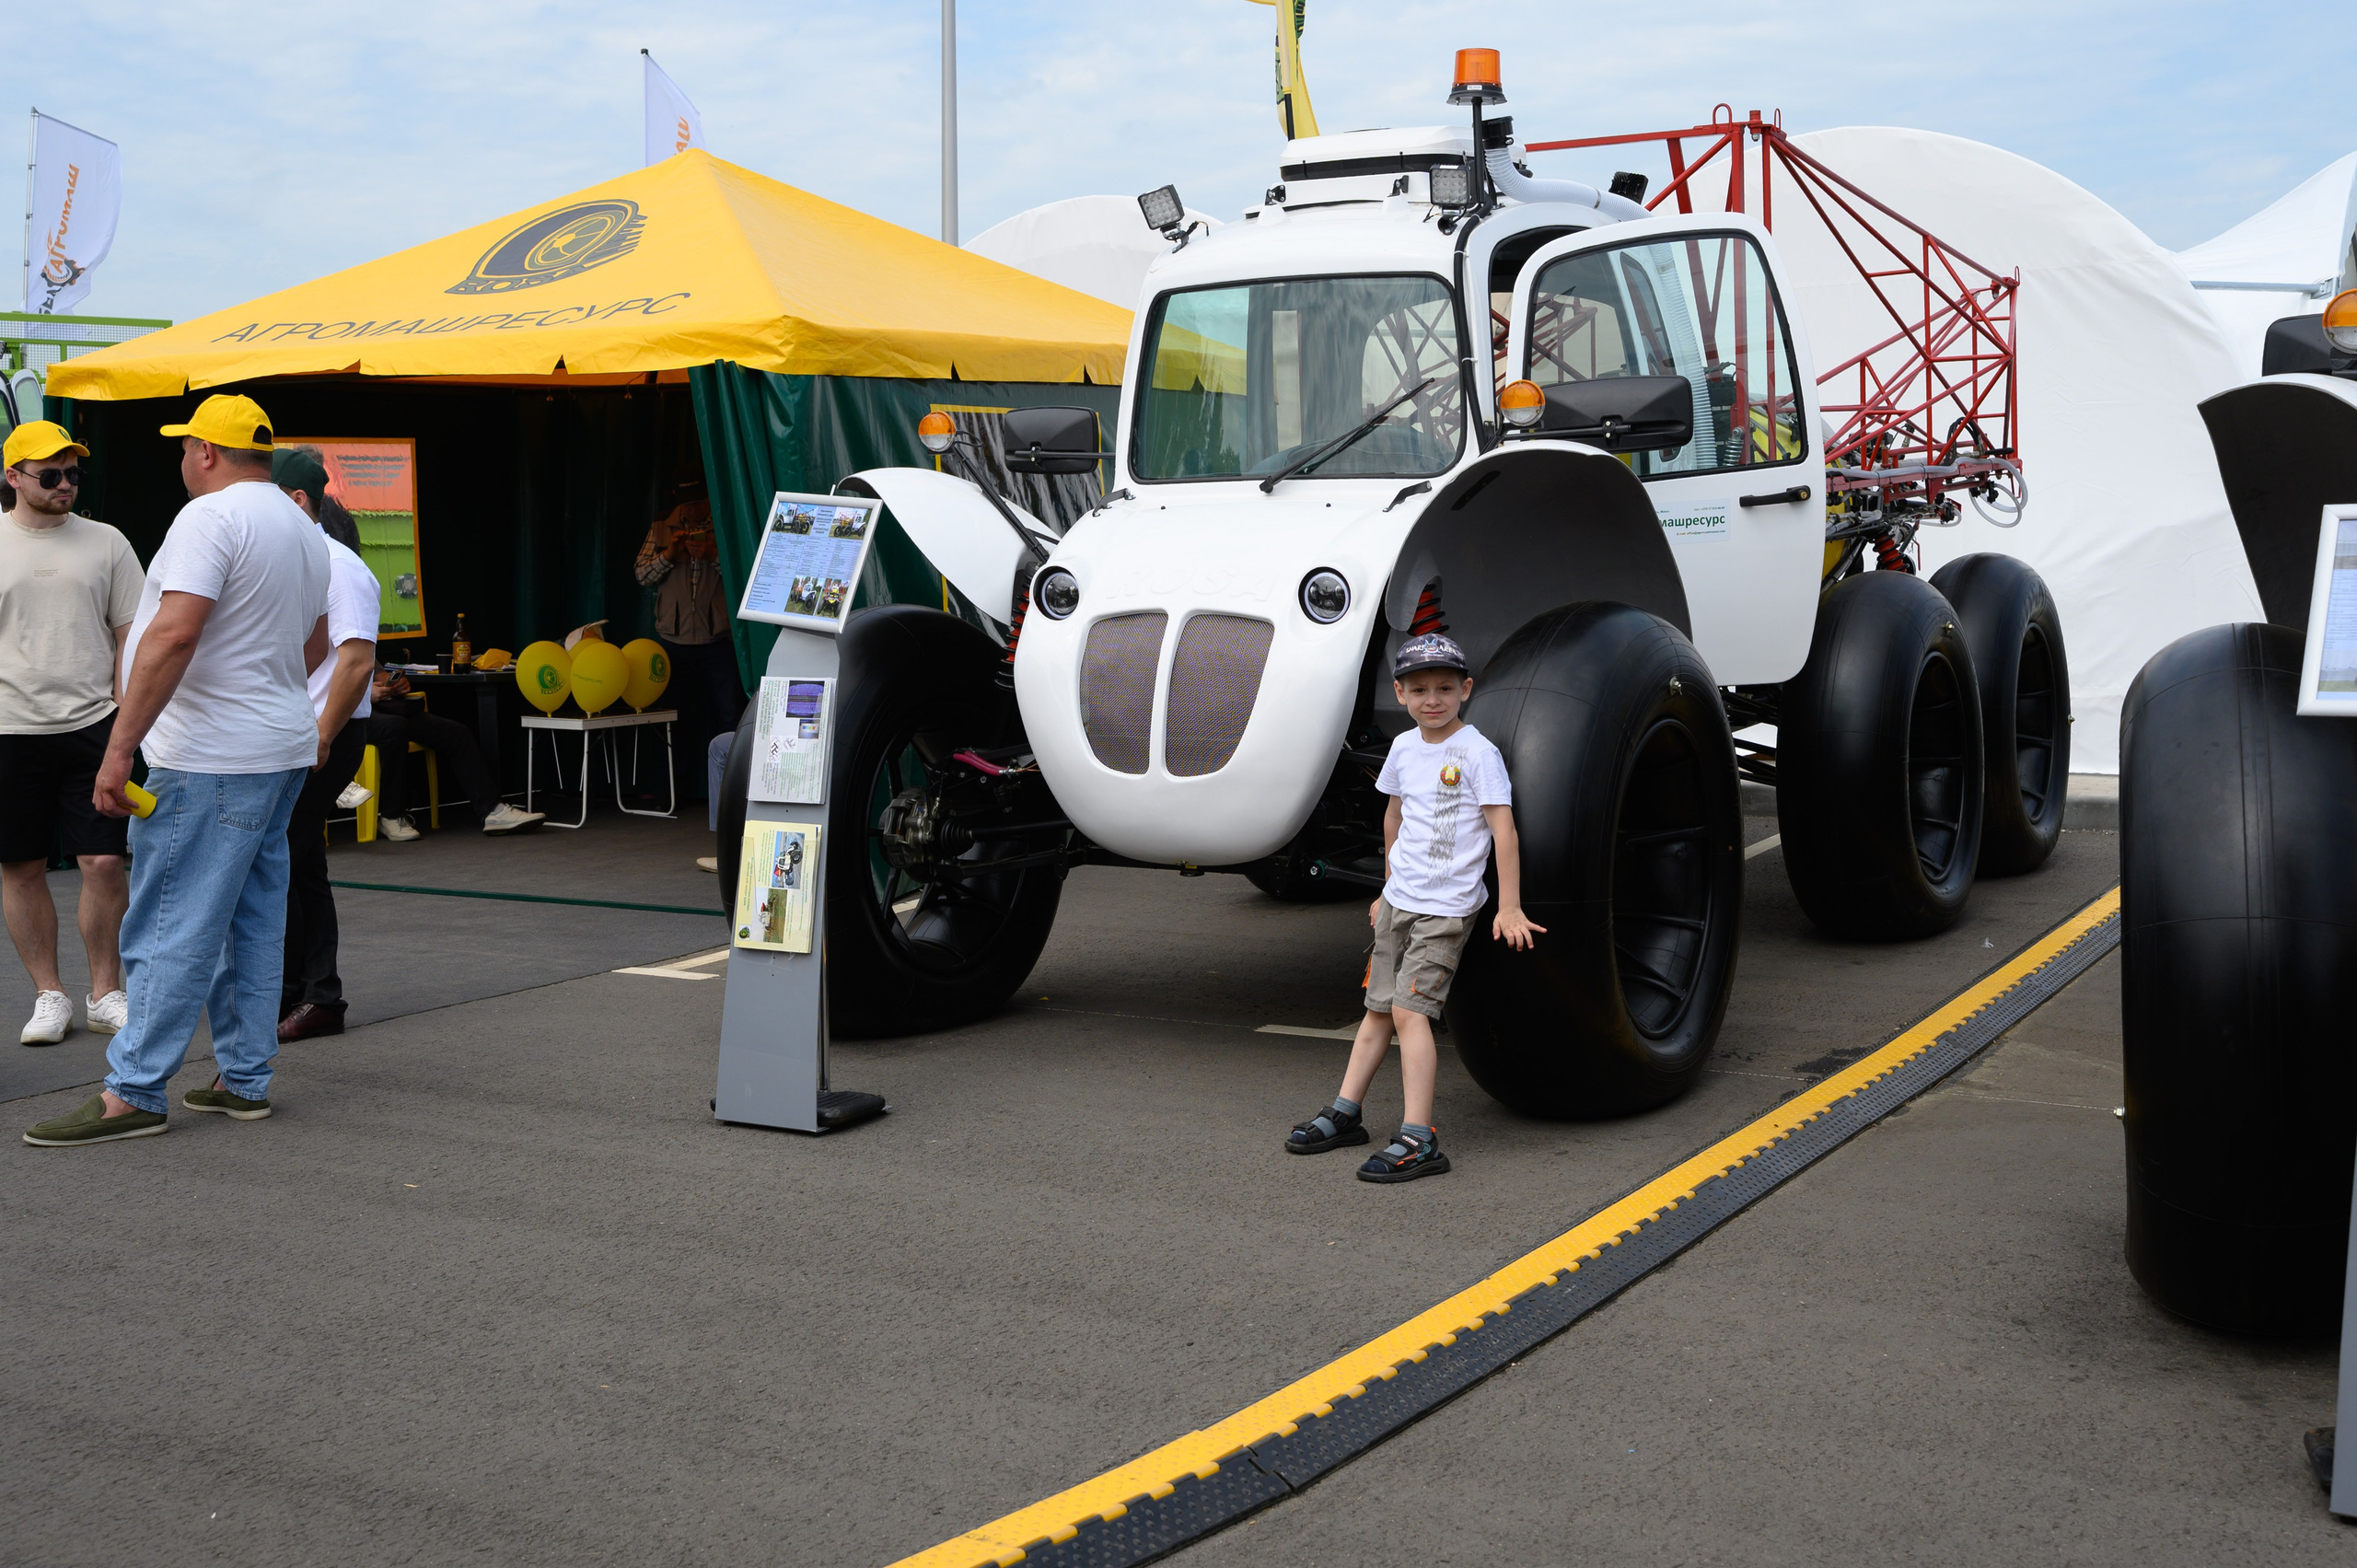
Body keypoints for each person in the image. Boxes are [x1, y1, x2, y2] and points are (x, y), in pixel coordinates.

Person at [24, 394, 330, 1146]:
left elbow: (175, 632)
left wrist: (122, 745)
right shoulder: (303, 528)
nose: (182, 460)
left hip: (209, 754)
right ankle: (243, 1080)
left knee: (171, 919)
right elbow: (316, 645)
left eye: (185, 449)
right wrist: (254, 689)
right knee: (255, 918)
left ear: (206, 452)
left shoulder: (210, 518)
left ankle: (133, 1091)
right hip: (277, 747)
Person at [1283, 633, 1545, 1183]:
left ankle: (1419, 1138)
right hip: (1401, 900)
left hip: (1446, 907)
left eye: (1445, 688)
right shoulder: (1403, 748)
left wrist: (1510, 906)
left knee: (1409, 1011)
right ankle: (1346, 1111)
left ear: (1465, 690)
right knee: (1378, 1007)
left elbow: (1504, 830)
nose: (1433, 699)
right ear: (1400, 693)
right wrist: (1385, 888)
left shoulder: (1477, 753)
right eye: (1420, 689)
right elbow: (1393, 820)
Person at [0, 420, 142, 1045]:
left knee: (105, 861)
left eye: (73, 473)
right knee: (21, 865)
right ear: (13, 477)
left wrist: (125, 714)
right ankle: (48, 994)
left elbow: (129, 636)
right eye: (50, 474)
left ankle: (105, 991)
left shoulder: (107, 541)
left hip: (94, 726)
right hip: (10, 727)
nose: (65, 484)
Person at [272, 447, 377, 1042]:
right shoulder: (297, 561)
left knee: (291, 857)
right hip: (295, 734)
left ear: (299, 501)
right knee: (292, 859)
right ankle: (301, 990)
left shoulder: (339, 565)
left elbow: (358, 660)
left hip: (324, 735)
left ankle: (316, 994)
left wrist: (321, 735)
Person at [634, 477, 741, 804]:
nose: (693, 510)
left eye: (698, 502)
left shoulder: (724, 524)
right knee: (671, 717)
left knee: (731, 717)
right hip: (674, 640)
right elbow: (641, 575)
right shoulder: (661, 527)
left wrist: (711, 552)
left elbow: (743, 574)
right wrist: (669, 554)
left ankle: (735, 794)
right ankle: (669, 789)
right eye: (687, 504)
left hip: (717, 639)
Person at [362, 668, 544, 837]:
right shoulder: (335, 642)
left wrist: (395, 686)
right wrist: (364, 694)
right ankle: (391, 817)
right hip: (349, 717)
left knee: (457, 733)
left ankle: (492, 811)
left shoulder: (363, 640)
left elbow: (380, 675)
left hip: (383, 708)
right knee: (394, 728)